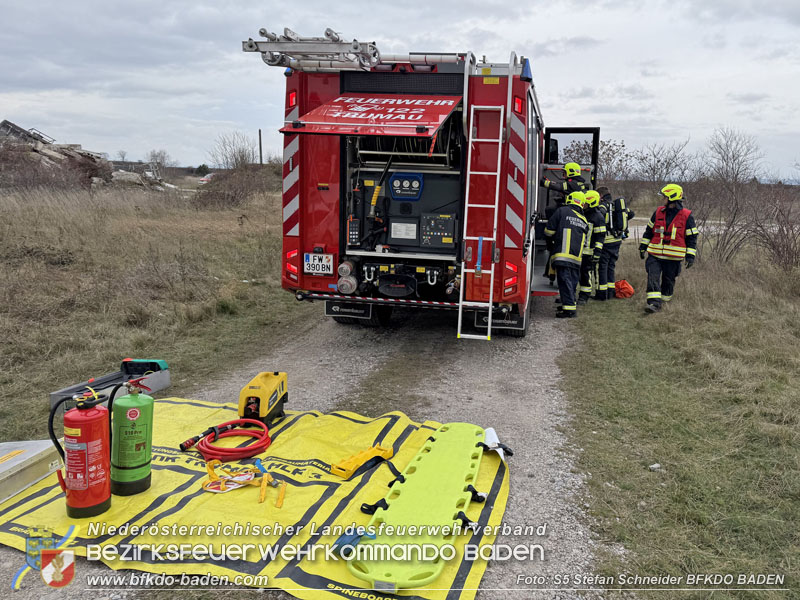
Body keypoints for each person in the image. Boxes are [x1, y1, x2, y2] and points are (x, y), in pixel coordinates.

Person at [639, 183, 699, 313]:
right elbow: (649, 230)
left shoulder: (687, 216)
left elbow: (692, 238)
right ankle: (654, 304)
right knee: (652, 277)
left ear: (672, 197)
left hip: (673, 257)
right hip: (655, 255)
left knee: (668, 281)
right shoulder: (658, 212)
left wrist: (690, 256)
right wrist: (643, 246)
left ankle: (665, 301)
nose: (663, 199)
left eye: (665, 197)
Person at [540, 162, 592, 283]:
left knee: (556, 246)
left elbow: (557, 186)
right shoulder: (579, 183)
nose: (563, 175)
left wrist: (544, 181)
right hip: (573, 217)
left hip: (566, 217)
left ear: (571, 172)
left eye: (565, 172)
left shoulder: (572, 184)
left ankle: (552, 274)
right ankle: (552, 274)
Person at [544, 191, 589, 318]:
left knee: (564, 281)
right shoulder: (583, 219)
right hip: (577, 257)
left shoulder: (562, 211)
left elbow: (548, 231)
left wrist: (551, 242)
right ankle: (568, 304)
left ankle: (569, 310)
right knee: (572, 281)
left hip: (563, 255)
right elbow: (585, 241)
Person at [595, 186, 631, 300]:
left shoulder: (603, 205)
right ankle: (610, 292)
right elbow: (631, 213)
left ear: (600, 196)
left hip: (606, 242)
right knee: (611, 267)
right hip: (617, 241)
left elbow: (599, 215)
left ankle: (602, 294)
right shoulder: (616, 205)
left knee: (602, 267)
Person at [578, 190, 605, 304]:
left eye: (585, 203)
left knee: (586, 274)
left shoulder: (598, 217)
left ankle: (584, 296)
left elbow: (600, 237)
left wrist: (597, 252)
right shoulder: (583, 213)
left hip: (589, 252)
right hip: (578, 250)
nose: (583, 205)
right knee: (575, 273)